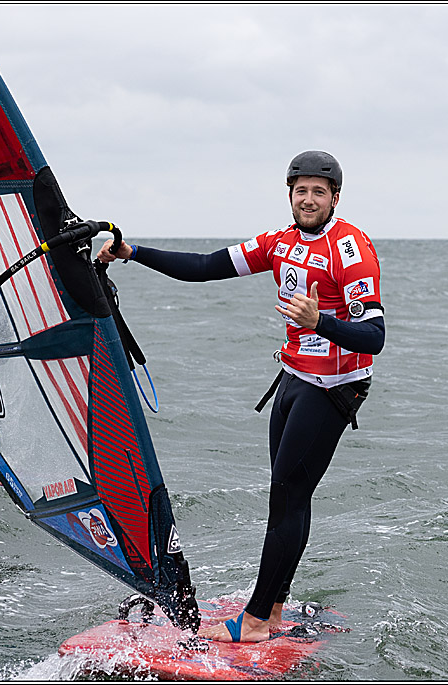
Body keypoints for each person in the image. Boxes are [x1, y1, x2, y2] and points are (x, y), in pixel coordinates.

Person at [96, 151, 384, 642]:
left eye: (320, 191)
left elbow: (373, 335)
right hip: (294, 380)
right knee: (290, 498)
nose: (309, 199)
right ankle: (272, 609)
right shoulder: (280, 243)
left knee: (287, 497)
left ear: (335, 197)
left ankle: (253, 621)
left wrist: (321, 323)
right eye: (301, 190)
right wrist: (132, 253)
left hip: (334, 388)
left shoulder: (351, 248)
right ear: (290, 194)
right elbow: (206, 267)